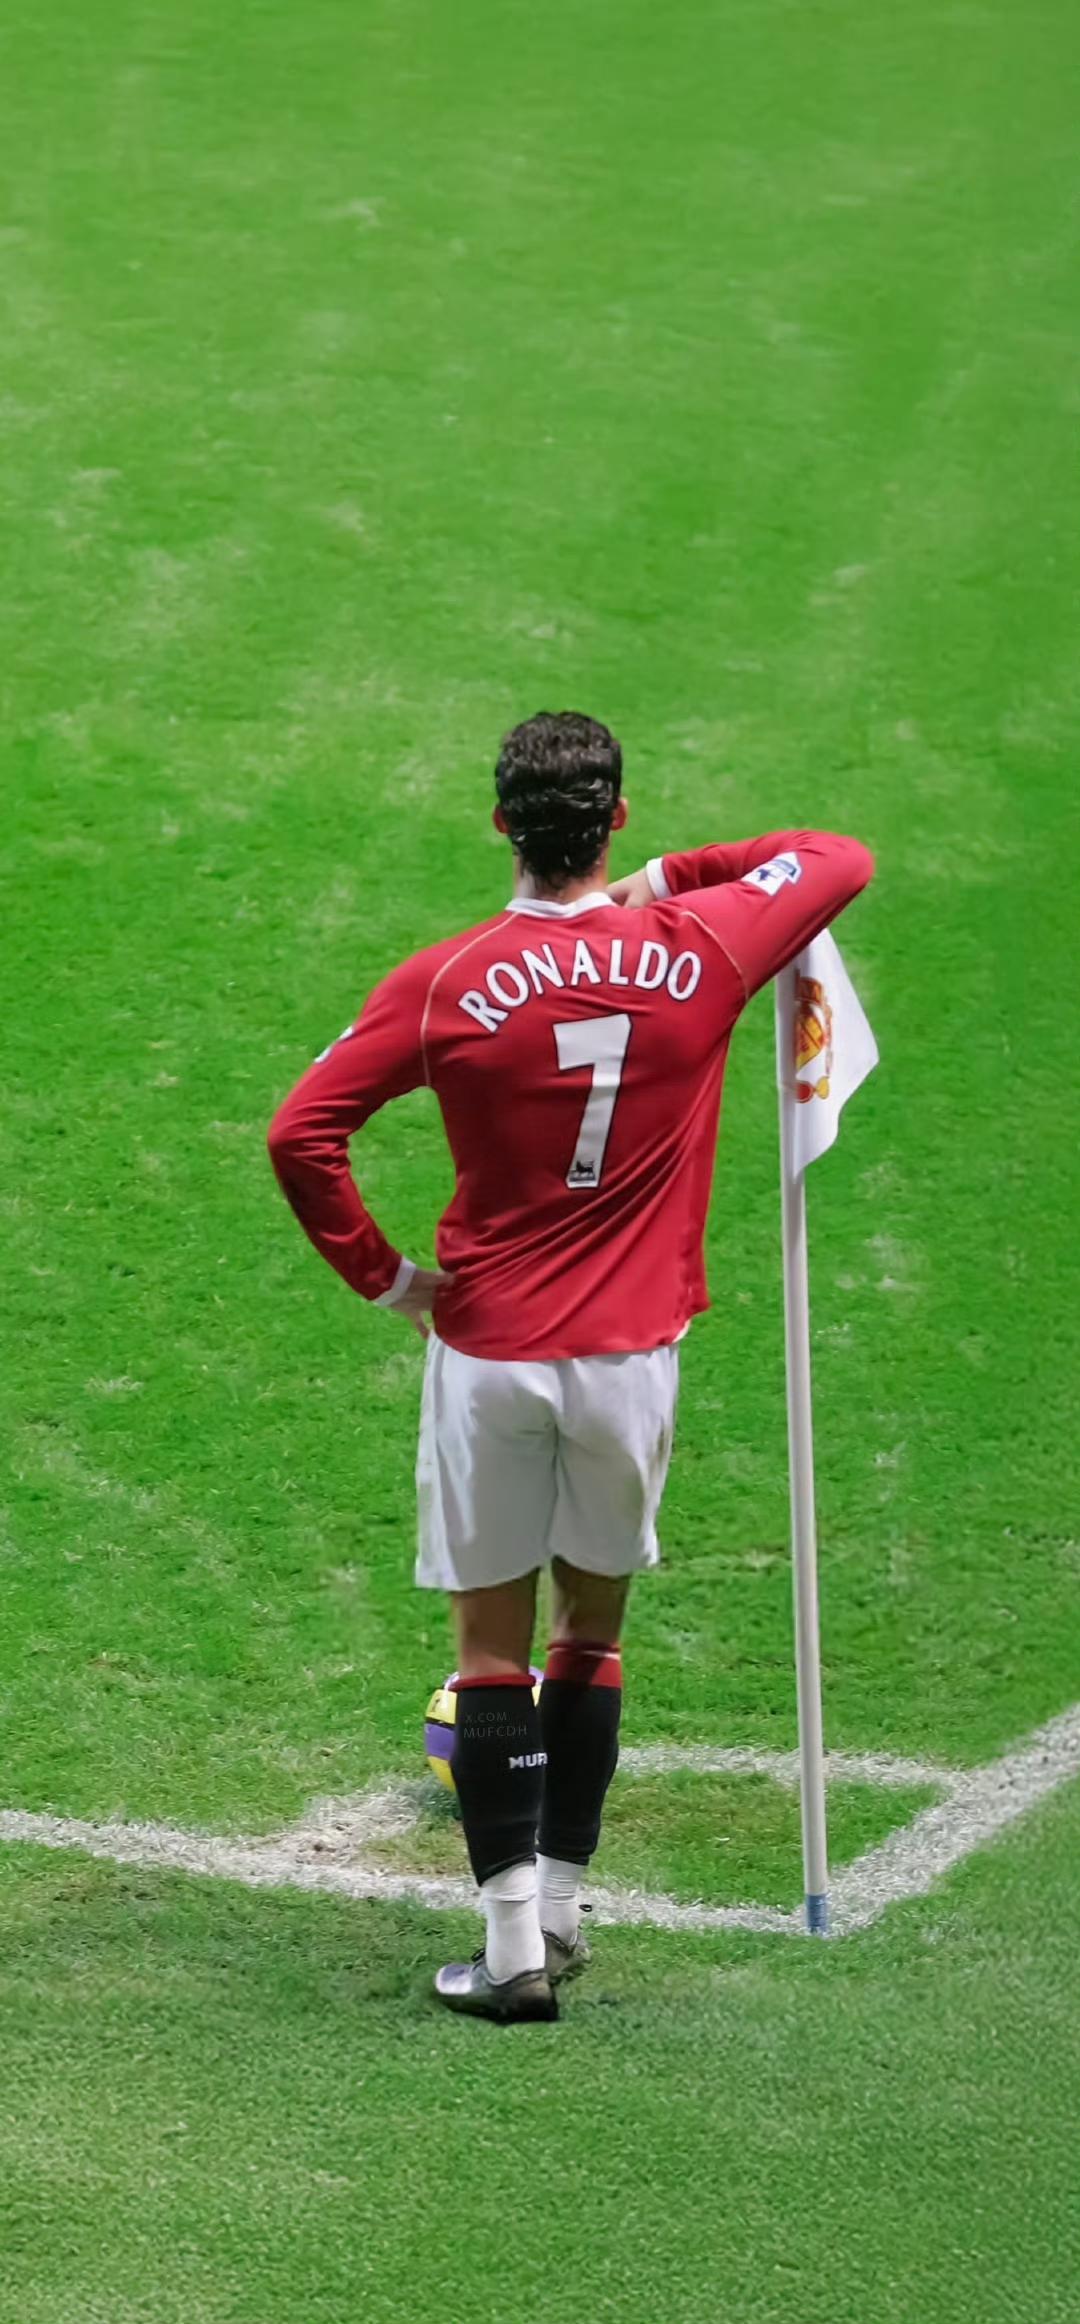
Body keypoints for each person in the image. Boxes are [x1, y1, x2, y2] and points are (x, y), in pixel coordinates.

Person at [267, 710, 874, 2022]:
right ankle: (560, 1907)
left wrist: (392, 1280)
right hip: (631, 1359)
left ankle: (510, 1958)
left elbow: (301, 1133)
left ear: (502, 824)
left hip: (488, 1355)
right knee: (587, 1634)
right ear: (617, 819)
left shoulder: (445, 981)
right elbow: (837, 857)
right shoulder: (705, 946)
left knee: (488, 1650)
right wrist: (670, 879)